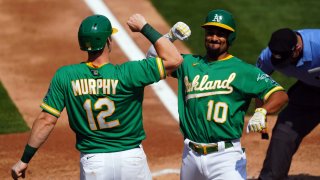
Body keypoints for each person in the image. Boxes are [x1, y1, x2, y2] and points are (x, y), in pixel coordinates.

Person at [11, 14, 183, 180]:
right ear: (108, 41)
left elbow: (46, 120)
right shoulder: (130, 72)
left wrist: (24, 160)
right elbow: (174, 59)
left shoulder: (66, 76)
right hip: (131, 159)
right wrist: (145, 28)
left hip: (94, 163)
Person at [146, 9, 288, 180]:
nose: (214, 37)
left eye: (220, 34)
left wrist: (262, 111)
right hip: (190, 155)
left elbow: (280, 95)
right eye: (210, 33)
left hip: (226, 158)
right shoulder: (188, 64)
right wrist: (170, 36)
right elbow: (151, 60)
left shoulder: (243, 70)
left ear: (230, 38)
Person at [257, 28, 320, 180]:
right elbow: (257, 83)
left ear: (297, 49)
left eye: (286, 59)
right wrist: (260, 112)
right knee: (284, 132)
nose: (283, 65)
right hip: (311, 89)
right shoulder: (268, 56)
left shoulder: (318, 45)